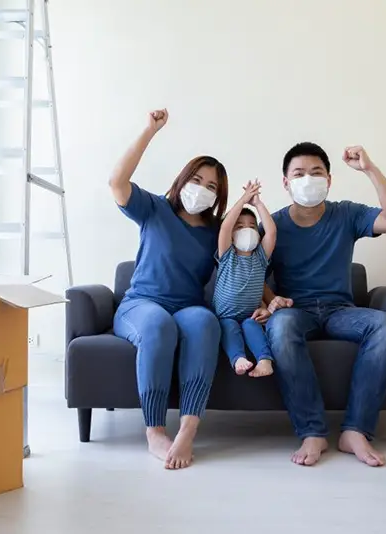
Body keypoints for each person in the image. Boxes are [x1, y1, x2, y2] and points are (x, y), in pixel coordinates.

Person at [261, 142, 386, 468]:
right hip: (295, 310)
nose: (308, 180)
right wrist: (273, 302)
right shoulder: (272, 225)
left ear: (329, 180)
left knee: (384, 325)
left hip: (340, 311)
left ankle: (356, 430)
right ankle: (312, 431)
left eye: (316, 173)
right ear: (285, 183)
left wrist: (369, 168)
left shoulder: (346, 214)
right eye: (299, 174)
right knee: (281, 326)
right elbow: (249, 272)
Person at [109, 108, 228, 470]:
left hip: (188, 306)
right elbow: (117, 182)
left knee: (206, 323)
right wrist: (149, 130)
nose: (202, 190)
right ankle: (155, 432)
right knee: (158, 325)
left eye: (212, 187)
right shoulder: (155, 209)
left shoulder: (215, 231)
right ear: (182, 180)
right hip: (142, 305)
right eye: (197, 180)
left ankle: (188, 429)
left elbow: (248, 262)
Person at [211, 180, 277, 378]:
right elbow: (225, 227)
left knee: (251, 326)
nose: (246, 230)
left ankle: (265, 360)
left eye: (251, 226)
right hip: (225, 316)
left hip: (251, 316)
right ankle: (239, 359)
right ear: (232, 235)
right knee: (229, 328)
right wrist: (243, 199)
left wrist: (257, 203)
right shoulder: (226, 255)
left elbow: (271, 231)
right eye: (240, 226)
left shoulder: (260, 257)